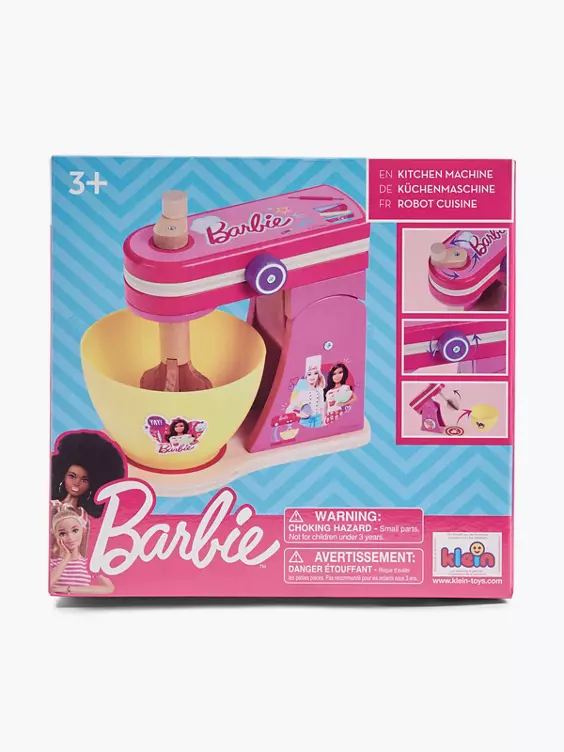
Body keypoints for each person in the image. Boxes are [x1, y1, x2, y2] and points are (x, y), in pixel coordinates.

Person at [51, 431, 126, 519]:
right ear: (63, 475)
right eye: (72, 476)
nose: (77, 483)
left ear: (92, 485)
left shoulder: (84, 517)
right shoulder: (50, 505)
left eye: (84, 480)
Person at [49, 504, 114, 595]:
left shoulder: (89, 564)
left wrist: (67, 589)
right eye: (62, 534)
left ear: (82, 531)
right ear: (56, 536)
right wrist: (66, 558)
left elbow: (109, 588)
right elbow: (48, 585)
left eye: (75, 531)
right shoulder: (52, 564)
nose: (70, 537)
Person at [286, 356, 325, 428]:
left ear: (318, 375)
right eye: (309, 374)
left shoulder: (320, 390)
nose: (312, 376)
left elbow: (322, 407)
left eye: (315, 373)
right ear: (306, 376)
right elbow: (288, 410)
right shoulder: (303, 392)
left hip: (318, 420)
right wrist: (299, 415)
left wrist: (323, 421)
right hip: (306, 422)